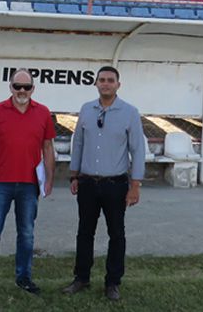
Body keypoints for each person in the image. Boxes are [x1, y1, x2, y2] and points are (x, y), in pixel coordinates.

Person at [62, 65, 145, 301]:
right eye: (102, 80)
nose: (106, 83)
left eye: (110, 80)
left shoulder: (129, 112)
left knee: (116, 234)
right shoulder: (87, 110)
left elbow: (137, 150)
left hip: (115, 184)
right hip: (87, 183)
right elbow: (77, 143)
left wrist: (135, 185)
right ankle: (81, 278)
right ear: (96, 84)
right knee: (84, 232)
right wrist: (74, 175)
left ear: (118, 85)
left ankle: (112, 283)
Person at [0, 68, 56, 300]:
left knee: (27, 233)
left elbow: (48, 146)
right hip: (0, 183)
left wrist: (49, 178)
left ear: (33, 89)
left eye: (26, 87)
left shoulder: (42, 113)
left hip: (30, 185)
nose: (22, 91)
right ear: (10, 87)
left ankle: (23, 277)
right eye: (17, 86)